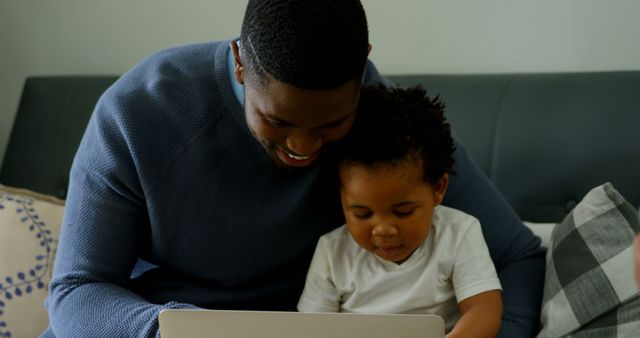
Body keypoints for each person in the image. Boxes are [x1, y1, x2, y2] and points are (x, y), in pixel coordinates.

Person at [42, 0, 545, 337]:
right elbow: (75, 292)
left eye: (332, 123)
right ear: (239, 62)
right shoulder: (138, 113)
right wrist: (173, 330)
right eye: (276, 121)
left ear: (363, 68)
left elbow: (518, 254)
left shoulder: (387, 117)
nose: (303, 147)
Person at [297, 85, 503, 338]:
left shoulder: (458, 232)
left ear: (438, 189)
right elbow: (311, 329)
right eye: (362, 214)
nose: (383, 229)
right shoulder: (332, 252)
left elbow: (484, 309)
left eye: (403, 211)